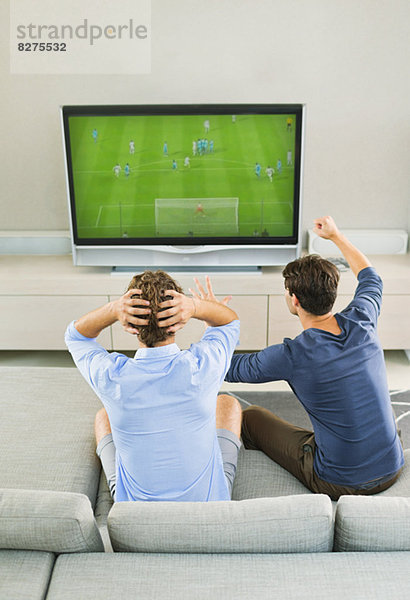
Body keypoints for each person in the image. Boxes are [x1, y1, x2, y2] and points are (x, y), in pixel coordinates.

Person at [224, 216, 404, 501]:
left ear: (294, 300)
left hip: (339, 481)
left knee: (251, 418)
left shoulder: (293, 355)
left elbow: (229, 368)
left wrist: (213, 318)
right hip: (392, 465)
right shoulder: (363, 318)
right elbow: (370, 276)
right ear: (332, 293)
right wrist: (336, 236)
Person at [65, 272, 241, 503]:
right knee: (227, 403)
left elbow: (76, 336)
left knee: (103, 416)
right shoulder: (202, 366)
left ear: (130, 325)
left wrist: (114, 309)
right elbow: (229, 321)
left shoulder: (112, 377)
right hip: (207, 510)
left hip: (135, 517)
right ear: (179, 321)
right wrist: (198, 306)